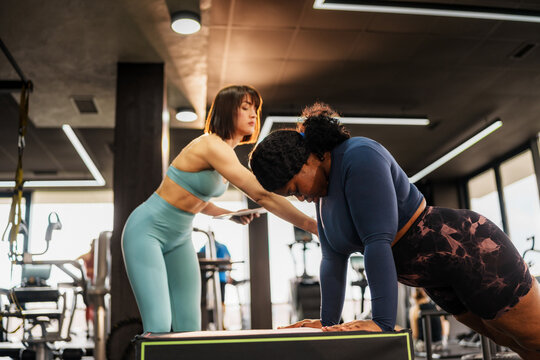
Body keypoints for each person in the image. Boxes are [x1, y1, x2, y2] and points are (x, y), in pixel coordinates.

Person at [249, 102, 540, 359]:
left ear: (312, 157)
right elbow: (332, 260)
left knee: (534, 339)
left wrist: (382, 322)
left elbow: (377, 241)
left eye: (297, 189)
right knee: (512, 343)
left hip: (470, 249)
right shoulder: (324, 197)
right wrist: (328, 326)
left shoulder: (357, 155)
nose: (301, 198)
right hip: (437, 278)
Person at [121, 85, 317, 333]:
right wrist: (311, 225)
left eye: (255, 109)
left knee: (189, 327)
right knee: (158, 325)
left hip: (180, 238)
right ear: (226, 112)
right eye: (245, 108)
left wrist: (230, 216)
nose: (253, 114)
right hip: (146, 231)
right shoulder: (210, 145)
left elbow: (194, 200)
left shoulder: (226, 152)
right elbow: (261, 194)